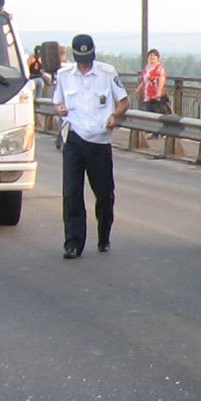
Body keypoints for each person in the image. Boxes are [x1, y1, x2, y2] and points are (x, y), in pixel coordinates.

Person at [49, 33, 126, 258]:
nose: (85, 63)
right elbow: (57, 104)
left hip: (99, 140)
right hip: (74, 137)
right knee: (71, 193)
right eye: (81, 59)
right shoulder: (64, 75)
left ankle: (104, 235)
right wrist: (60, 110)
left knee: (104, 194)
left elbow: (124, 100)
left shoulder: (107, 73)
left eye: (88, 58)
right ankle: (73, 243)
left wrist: (115, 115)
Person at [138, 47, 169, 113]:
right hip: (147, 96)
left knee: (156, 113)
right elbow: (144, 79)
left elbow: (161, 80)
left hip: (156, 96)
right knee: (149, 112)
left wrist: (158, 93)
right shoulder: (147, 67)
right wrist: (139, 88)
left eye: (154, 55)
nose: (152, 57)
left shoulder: (159, 68)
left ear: (157, 58)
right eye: (150, 55)